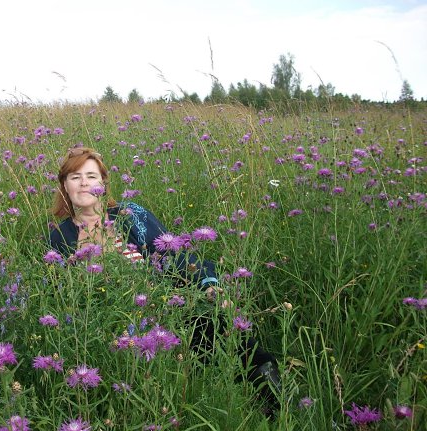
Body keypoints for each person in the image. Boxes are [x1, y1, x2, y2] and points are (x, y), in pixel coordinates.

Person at [49, 147, 281, 415]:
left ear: (103, 182)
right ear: (64, 186)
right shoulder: (59, 237)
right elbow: (62, 294)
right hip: (115, 324)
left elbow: (173, 254)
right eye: (75, 177)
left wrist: (208, 283)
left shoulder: (130, 214)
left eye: (91, 176)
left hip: (164, 304)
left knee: (212, 319)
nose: (84, 183)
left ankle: (272, 401)